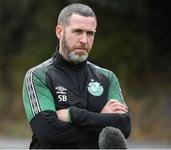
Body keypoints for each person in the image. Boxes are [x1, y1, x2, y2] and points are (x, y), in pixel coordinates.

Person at [22, 3, 131, 149]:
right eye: (78, 31)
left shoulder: (107, 77)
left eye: (90, 33)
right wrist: (100, 118)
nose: (84, 40)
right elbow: (48, 131)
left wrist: (72, 114)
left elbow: (123, 127)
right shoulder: (39, 75)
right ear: (59, 32)